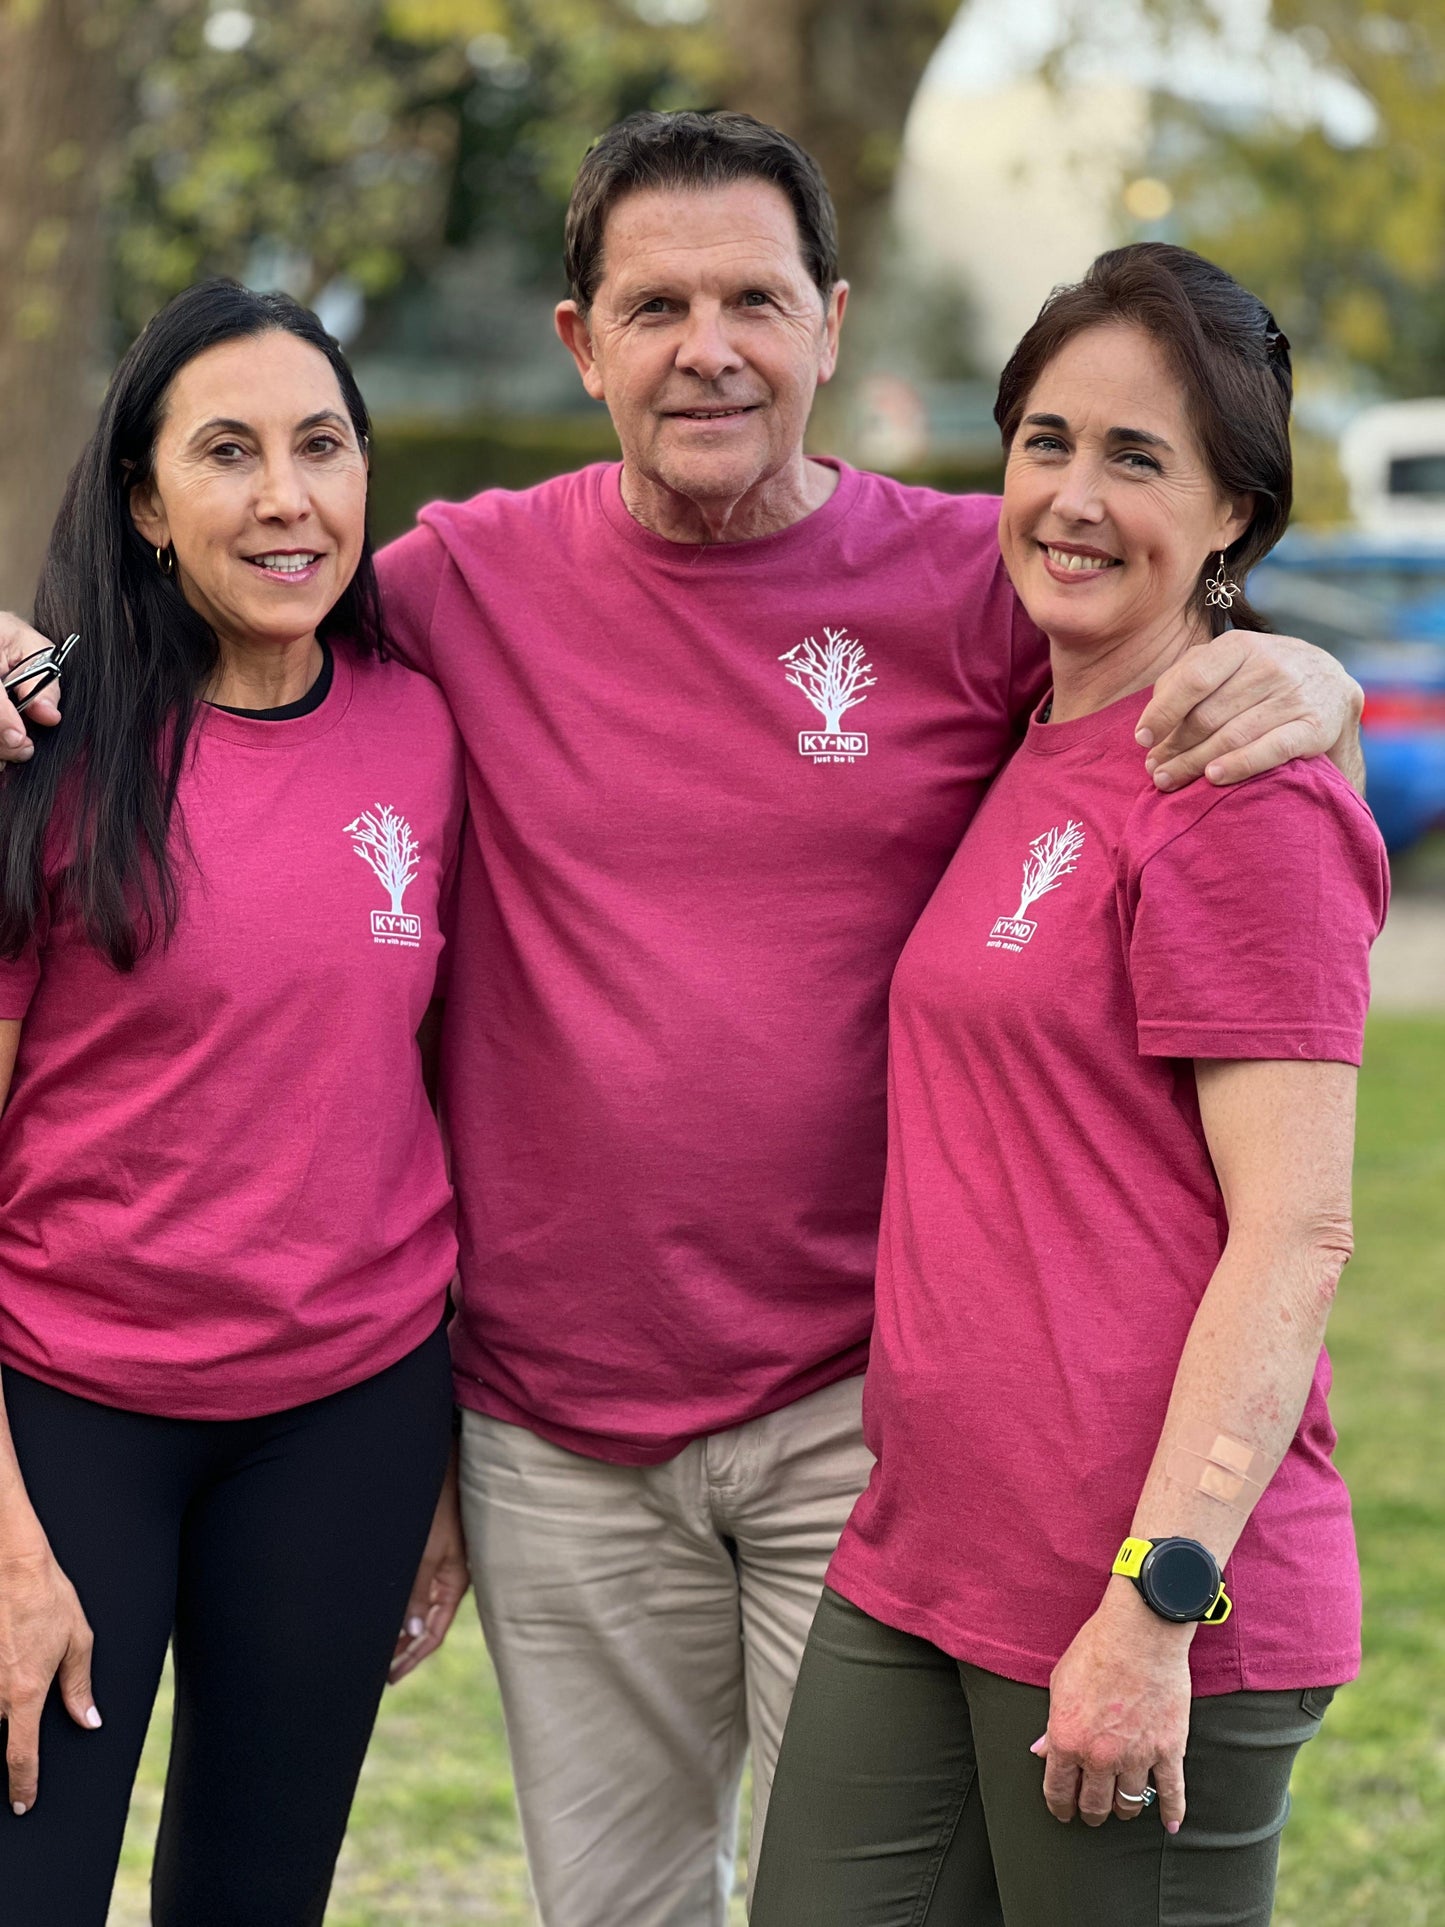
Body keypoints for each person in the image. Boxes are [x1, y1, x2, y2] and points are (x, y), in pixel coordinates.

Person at [0, 116, 1367, 1927]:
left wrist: (1302, 663)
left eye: (751, 298)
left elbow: (1152, 618)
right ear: (582, 343)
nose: (706, 345)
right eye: (656, 304)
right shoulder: (450, 590)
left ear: (829, 323)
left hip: (859, 1427)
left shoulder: (980, 577)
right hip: (557, 1434)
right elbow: (232, 628)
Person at [750, 243, 1388, 1927]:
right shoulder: (1027, 735)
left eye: (1137, 457)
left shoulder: (1239, 797)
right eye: (1046, 440)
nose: (1074, 497)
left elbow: (1297, 1236)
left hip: (1144, 1598)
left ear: (1238, 515)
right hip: (923, 1558)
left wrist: (1155, 1599)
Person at [0, 280, 466, 1927]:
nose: (287, 496)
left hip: (348, 1414)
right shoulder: (39, 750)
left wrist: (443, 1468)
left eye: (322, 445)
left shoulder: (426, 721)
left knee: (258, 1896)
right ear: (144, 501)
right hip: (68, 1420)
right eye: (228, 452)